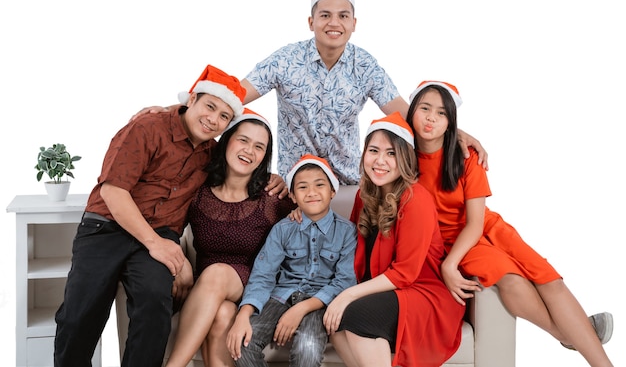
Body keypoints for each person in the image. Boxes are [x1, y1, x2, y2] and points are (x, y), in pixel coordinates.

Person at [134, 0, 488, 184]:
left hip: (350, 182)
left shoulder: (365, 64)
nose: (334, 22)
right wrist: (177, 108)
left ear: (353, 23)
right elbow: (233, 93)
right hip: (292, 182)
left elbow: (405, 112)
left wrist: (456, 130)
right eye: (325, 15)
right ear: (311, 21)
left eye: (343, 15)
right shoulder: (286, 59)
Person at [406, 81, 614, 367]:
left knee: (549, 279)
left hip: (481, 228)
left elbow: (476, 222)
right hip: (449, 241)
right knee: (512, 281)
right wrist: (448, 261)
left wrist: (449, 265)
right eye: (424, 109)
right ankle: (571, 335)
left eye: (441, 113)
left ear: (451, 122)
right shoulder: (400, 152)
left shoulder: (467, 155)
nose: (431, 118)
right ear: (411, 110)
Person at [53, 64, 249, 367]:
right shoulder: (148, 128)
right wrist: (157, 245)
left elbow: (246, 155)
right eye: (209, 106)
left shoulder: (211, 153)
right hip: (107, 227)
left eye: (224, 116)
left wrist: (276, 180)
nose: (214, 119)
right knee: (80, 313)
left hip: (161, 235)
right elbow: (113, 192)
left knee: (156, 303)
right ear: (192, 99)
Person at [323, 113, 465, 367]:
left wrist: (347, 296)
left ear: (405, 160)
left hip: (422, 292)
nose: (380, 161)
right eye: (374, 151)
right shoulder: (363, 196)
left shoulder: (415, 198)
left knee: (355, 315)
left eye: (391, 154)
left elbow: (406, 273)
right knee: (333, 321)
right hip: (388, 289)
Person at [164, 108, 297, 367]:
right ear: (226, 141)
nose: (249, 151)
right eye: (243, 140)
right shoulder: (198, 191)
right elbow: (167, 226)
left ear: (264, 157)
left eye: (259, 147)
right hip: (209, 289)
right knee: (223, 313)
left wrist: (293, 190)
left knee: (216, 273)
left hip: (255, 282)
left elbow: (309, 220)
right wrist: (178, 260)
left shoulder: (272, 196)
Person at [226, 154, 358, 367]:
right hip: (280, 296)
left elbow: (344, 281)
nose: (312, 192)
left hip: (319, 301)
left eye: (319, 185)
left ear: (333, 191)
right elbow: (263, 275)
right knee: (243, 343)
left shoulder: (347, 232)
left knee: (307, 348)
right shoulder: (282, 229)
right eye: (303, 187)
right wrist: (244, 314)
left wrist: (301, 309)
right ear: (294, 197)